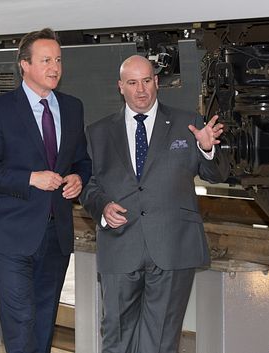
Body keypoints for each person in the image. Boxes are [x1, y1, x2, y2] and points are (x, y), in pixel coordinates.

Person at [79, 55, 230, 353]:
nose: (141, 90)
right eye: (132, 83)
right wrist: (103, 209)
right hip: (120, 246)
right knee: (116, 338)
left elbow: (217, 173)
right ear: (120, 87)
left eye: (147, 81)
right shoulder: (98, 133)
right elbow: (89, 185)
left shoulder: (189, 124)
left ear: (157, 82)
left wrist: (206, 148)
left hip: (172, 248)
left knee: (160, 342)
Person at [0, 28, 92, 353]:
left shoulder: (72, 108)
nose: (54, 67)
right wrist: (30, 178)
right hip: (12, 236)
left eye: (58, 60)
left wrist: (79, 179)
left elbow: (82, 161)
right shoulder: (0, 110)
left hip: (56, 235)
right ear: (24, 65)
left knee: (43, 322)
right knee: (21, 321)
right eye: (45, 60)